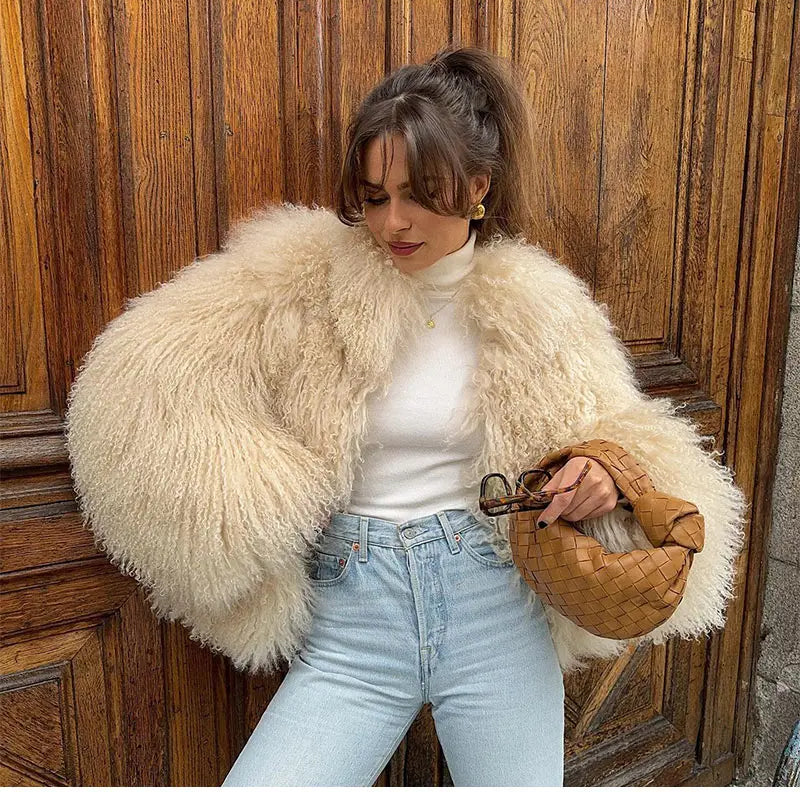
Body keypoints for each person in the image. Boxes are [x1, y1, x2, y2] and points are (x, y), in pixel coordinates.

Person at [64, 45, 748, 787]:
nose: (393, 221)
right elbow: (143, 375)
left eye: (420, 194)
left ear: (478, 186)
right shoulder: (301, 283)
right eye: (374, 196)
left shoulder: (542, 310)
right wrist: (260, 498)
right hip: (352, 621)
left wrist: (601, 474)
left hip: (495, 611)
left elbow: (617, 431)